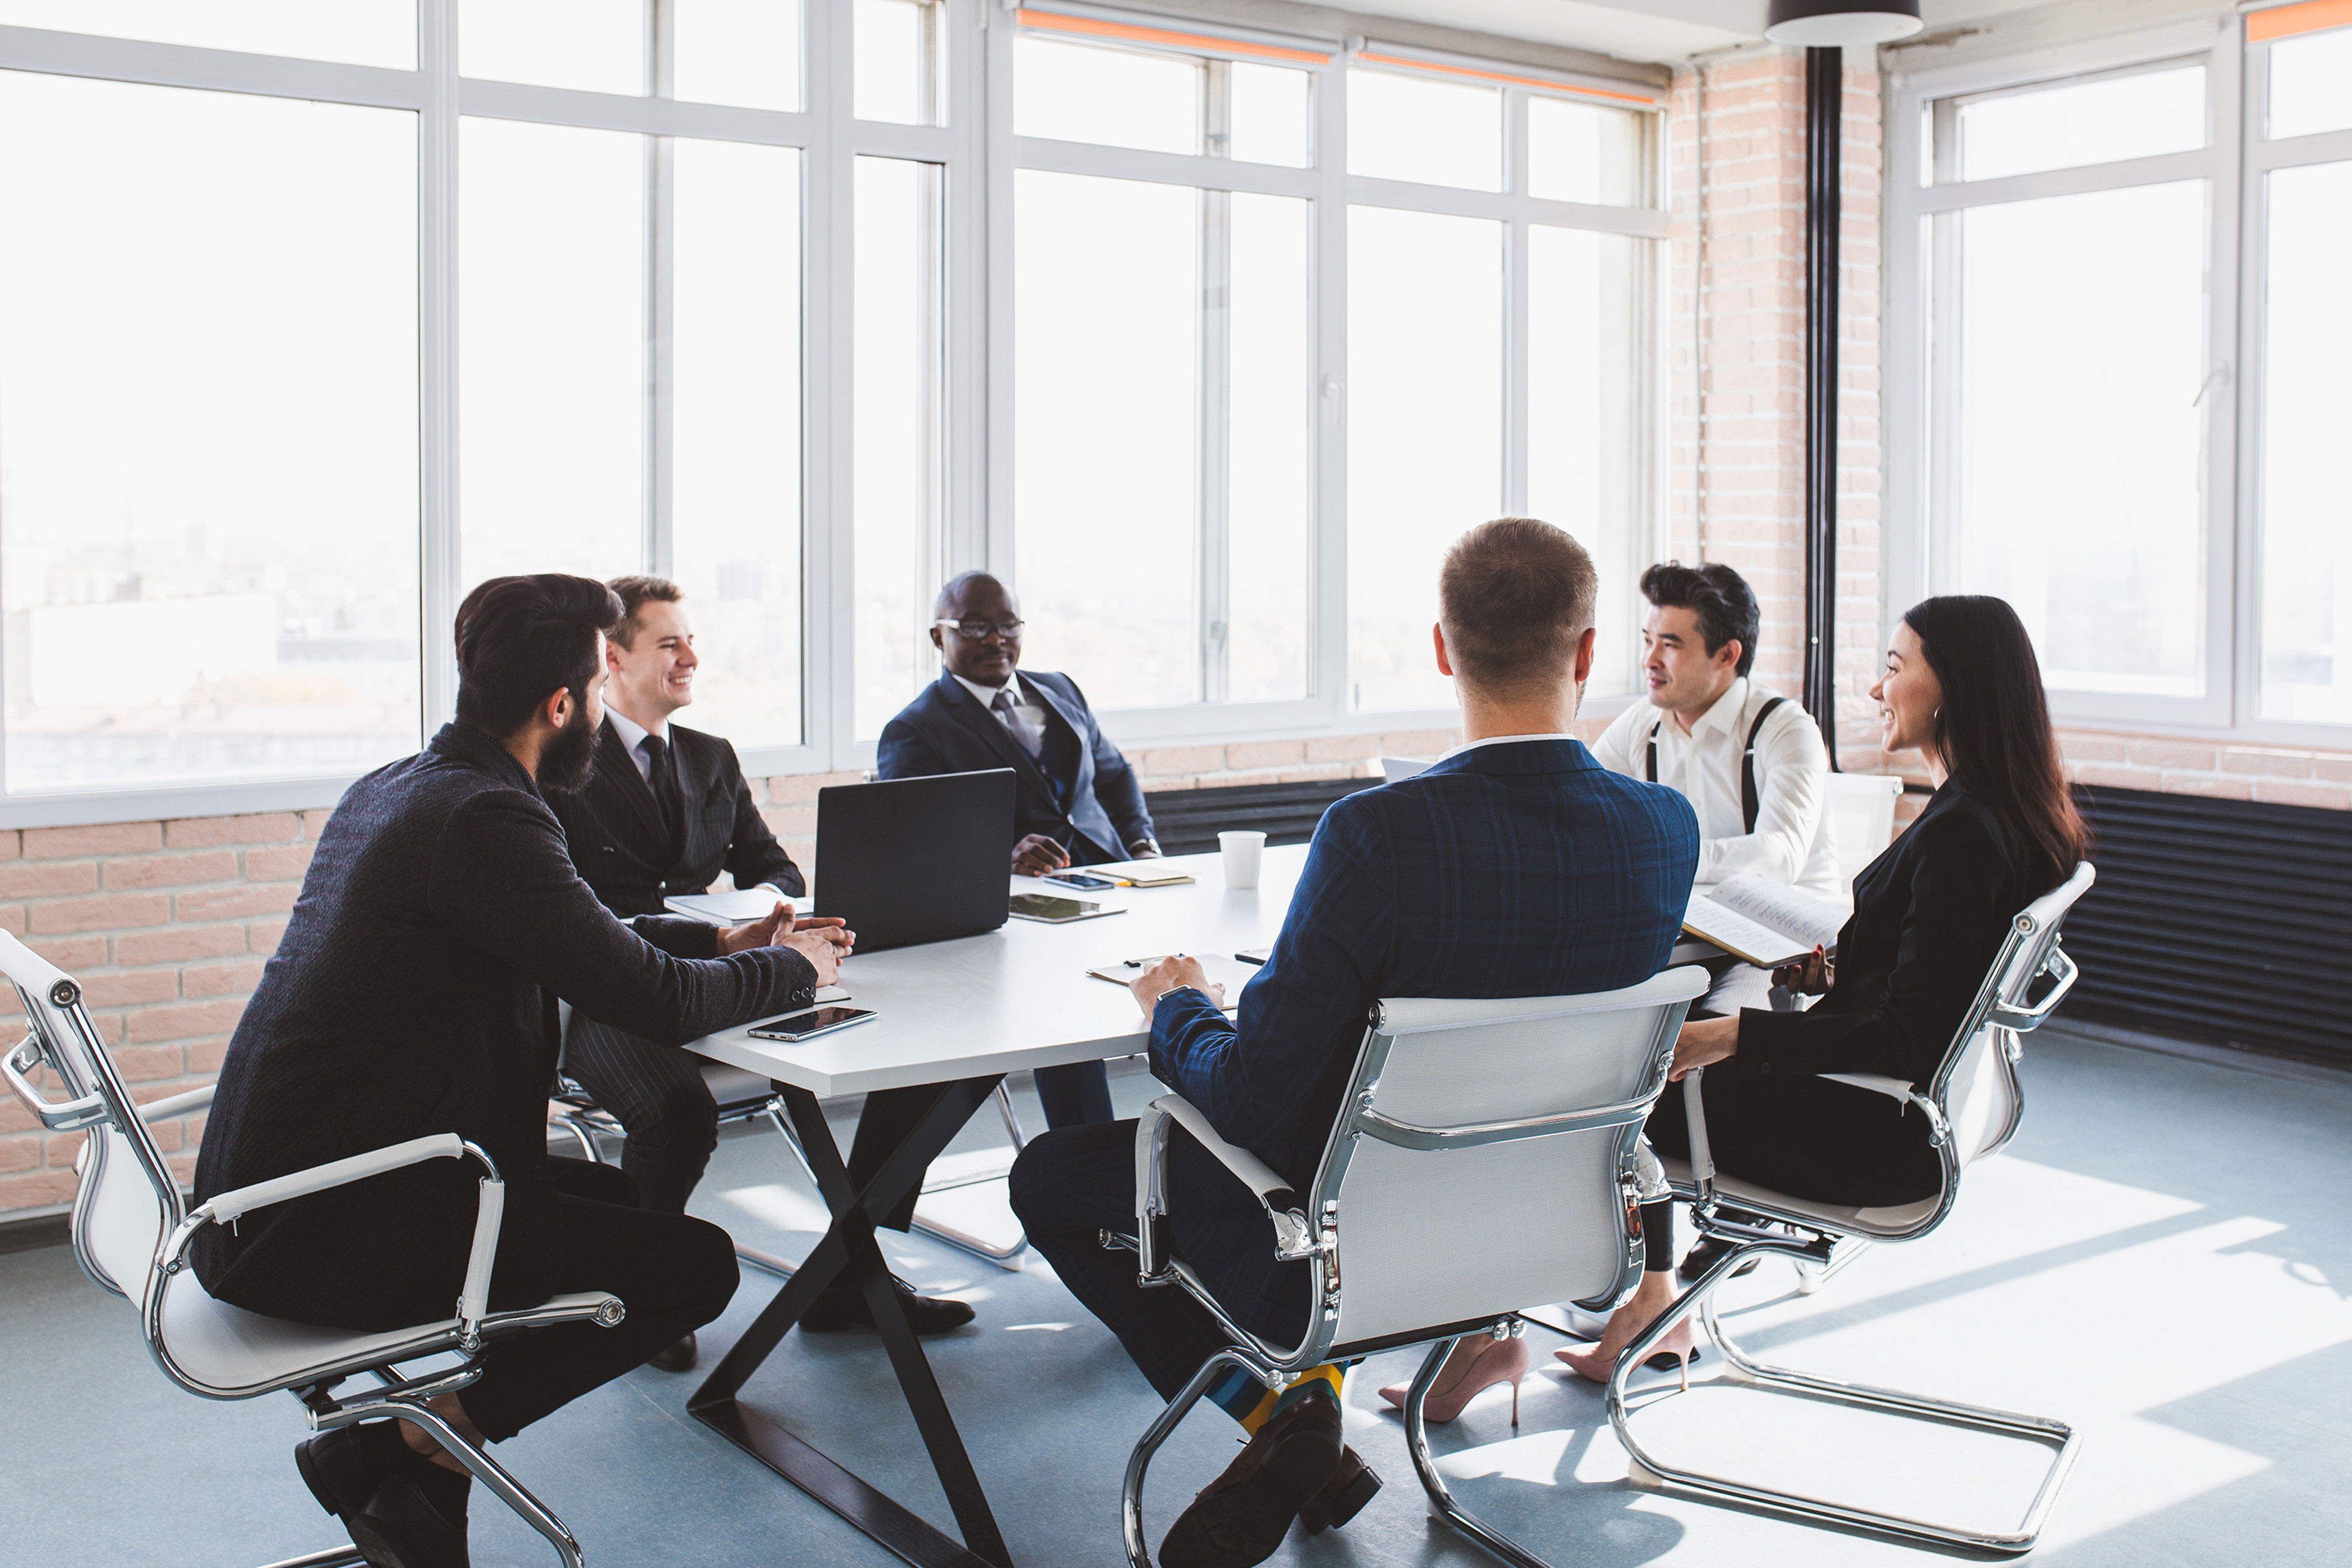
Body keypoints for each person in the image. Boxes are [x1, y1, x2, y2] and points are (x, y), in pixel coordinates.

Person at [1008, 520, 1699, 1568]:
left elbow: (1250, 1098)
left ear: (1441, 648)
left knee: (1055, 1173)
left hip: (1351, 1250)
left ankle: (1277, 1414)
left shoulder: (1377, 834)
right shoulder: (1664, 829)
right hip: (1546, 1236)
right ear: (1591, 652)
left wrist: (1177, 1010)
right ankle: (1310, 1421)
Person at [192, 575, 853, 1568]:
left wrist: (723, 950)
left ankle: (414, 1483)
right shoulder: (486, 819)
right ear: (563, 706)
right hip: (329, 1221)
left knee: (623, 1208)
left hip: (277, 1197)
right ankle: (407, 1445)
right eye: (597, 686)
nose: (602, 704)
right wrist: (791, 969)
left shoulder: (409, 787)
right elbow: (657, 1004)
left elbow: (587, 936)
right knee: (695, 1266)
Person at [1558, 594, 2089, 1387]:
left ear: (1954, 689)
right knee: (1639, 1071)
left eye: (1895, 668)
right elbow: (1929, 993)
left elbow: (1905, 1038)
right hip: (1899, 1116)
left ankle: (1581, 1309)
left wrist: (1728, 1035)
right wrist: (1843, 974)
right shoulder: (2002, 817)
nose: (1878, 691)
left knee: (1605, 1093)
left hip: (1871, 1138)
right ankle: (1652, 1302)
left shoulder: (1962, 838)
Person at [846, 573, 1152, 1267]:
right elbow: (912, 845)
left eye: (1008, 624)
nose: (997, 639)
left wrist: (1142, 846)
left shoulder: (1061, 689)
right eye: (976, 626)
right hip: (1017, 931)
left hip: (1116, 891)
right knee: (1048, 1034)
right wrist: (1002, 856)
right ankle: (1102, 1215)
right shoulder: (917, 729)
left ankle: (1132, 1211)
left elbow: (1113, 775)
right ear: (938, 637)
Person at [545, 575, 809, 1371]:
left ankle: (846, 1275)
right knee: (675, 1109)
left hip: (715, 971)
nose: (691, 656)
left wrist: (767, 915)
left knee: (857, 1057)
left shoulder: (710, 757)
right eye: (669, 643)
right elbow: (570, 911)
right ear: (612, 658)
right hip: (603, 997)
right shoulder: (563, 765)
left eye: (690, 640)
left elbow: (780, 873)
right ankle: (641, 1292)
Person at [1591, 561, 1840, 1019]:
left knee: (1713, 1028)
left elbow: (1779, 856)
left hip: (1783, 947)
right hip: (1687, 933)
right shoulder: (1642, 725)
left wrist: (1669, 857)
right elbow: (1587, 817)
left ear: (1727, 655)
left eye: (1671, 645)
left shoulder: (1784, 728)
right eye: (1649, 641)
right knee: (1607, 1013)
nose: (1650, 660)